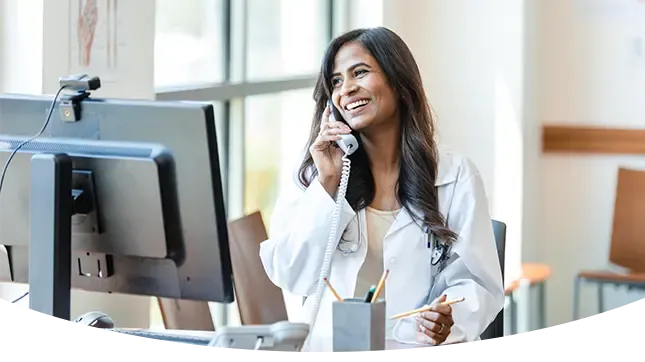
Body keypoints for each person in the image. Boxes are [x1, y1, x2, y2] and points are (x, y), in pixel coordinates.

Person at [259, 27, 504, 351]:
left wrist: (448, 315)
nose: (346, 89)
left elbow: (477, 283)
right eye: (335, 81)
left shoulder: (455, 176)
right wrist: (328, 184)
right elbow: (292, 275)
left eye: (359, 72)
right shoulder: (314, 175)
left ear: (398, 83)